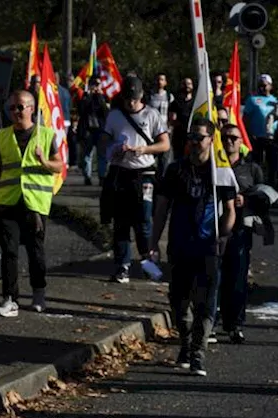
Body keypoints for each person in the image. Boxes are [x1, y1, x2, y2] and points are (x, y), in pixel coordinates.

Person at [149, 118, 236, 376]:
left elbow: (230, 211)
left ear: (211, 139)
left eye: (200, 137)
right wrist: (153, 243)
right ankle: (185, 344)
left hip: (208, 246)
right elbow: (162, 208)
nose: (195, 142)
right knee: (179, 301)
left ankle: (198, 353)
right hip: (180, 245)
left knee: (205, 303)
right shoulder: (175, 170)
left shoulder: (220, 171)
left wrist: (224, 236)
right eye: (191, 137)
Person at [0, 89, 62, 317]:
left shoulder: (46, 135)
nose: (16, 112)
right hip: (7, 203)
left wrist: (43, 160)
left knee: (36, 251)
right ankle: (9, 298)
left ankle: (38, 293)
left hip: (34, 204)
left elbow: (59, 166)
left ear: (32, 109)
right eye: (12, 108)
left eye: (20, 107)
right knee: (9, 251)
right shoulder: (1, 136)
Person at [99, 75, 170, 283]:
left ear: (141, 97)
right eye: (128, 99)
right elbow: (103, 141)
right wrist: (113, 149)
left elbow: (165, 144)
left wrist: (144, 149)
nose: (131, 103)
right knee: (120, 222)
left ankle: (148, 261)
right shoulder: (115, 116)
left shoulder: (152, 114)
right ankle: (122, 265)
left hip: (144, 172)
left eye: (135, 99)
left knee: (143, 220)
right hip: (121, 171)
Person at [219, 124, 264, 344]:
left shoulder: (251, 169)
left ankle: (236, 324)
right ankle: (213, 318)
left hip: (240, 230)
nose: (229, 141)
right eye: (225, 137)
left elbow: (265, 197)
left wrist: (246, 201)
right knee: (215, 277)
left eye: (234, 138)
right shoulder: (213, 166)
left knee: (237, 277)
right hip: (213, 229)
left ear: (241, 142)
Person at [76, 76, 110, 186]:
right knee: (87, 155)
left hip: (100, 130)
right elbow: (81, 110)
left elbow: (105, 113)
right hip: (88, 131)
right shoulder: (86, 97)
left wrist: (99, 96)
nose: (95, 87)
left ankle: (102, 176)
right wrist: (87, 95)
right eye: (93, 84)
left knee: (102, 155)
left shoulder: (104, 97)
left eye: (98, 84)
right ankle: (87, 176)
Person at [242, 74, 277, 169]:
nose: (262, 88)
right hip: (257, 137)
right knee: (257, 162)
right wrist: (249, 134)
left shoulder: (275, 100)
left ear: (270, 86)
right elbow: (245, 118)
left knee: (272, 163)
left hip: (271, 137)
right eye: (260, 85)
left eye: (264, 85)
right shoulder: (252, 100)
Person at [146, 73, 174, 175]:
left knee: (164, 158)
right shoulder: (149, 96)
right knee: (150, 155)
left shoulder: (169, 96)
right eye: (158, 79)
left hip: (165, 130)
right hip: (151, 131)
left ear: (165, 82)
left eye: (162, 79)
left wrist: (170, 127)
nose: (159, 82)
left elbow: (172, 114)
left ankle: (162, 179)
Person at [169, 77, 195, 154]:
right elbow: (172, 120)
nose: (187, 86)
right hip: (179, 137)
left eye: (189, 84)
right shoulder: (175, 103)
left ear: (193, 86)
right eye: (185, 84)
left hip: (193, 136)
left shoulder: (196, 102)